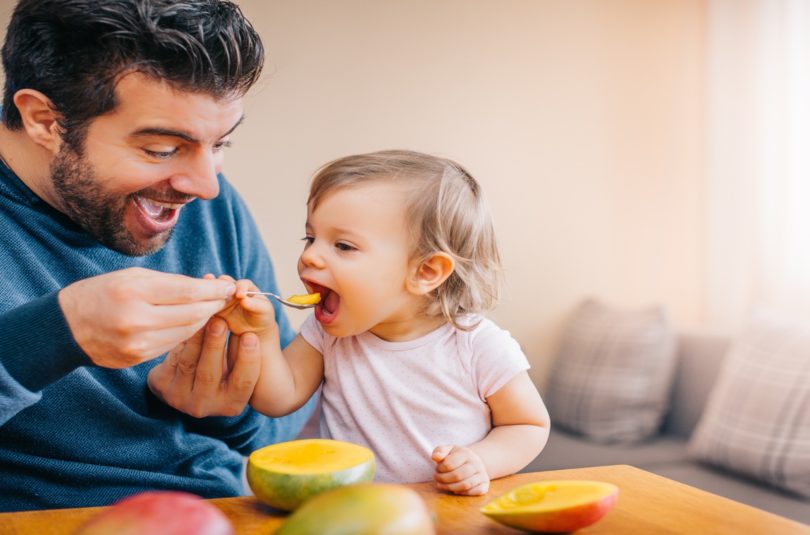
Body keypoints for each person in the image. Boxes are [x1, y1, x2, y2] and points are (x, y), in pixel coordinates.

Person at [0, 0, 314, 512]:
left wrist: (227, 408)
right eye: (163, 150)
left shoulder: (206, 204)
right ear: (45, 120)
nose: (206, 187)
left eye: (220, 145)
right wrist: (57, 332)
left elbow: (284, 433)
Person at [217, 150, 550, 495]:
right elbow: (276, 399)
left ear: (425, 272)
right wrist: (262, 333)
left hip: (448, 510)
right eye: (311, 238)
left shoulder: (476, 343)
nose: (309, 256)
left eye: (343, 246)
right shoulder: (328, 334)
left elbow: (528, 423)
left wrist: (482, 461)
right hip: (353, 508)